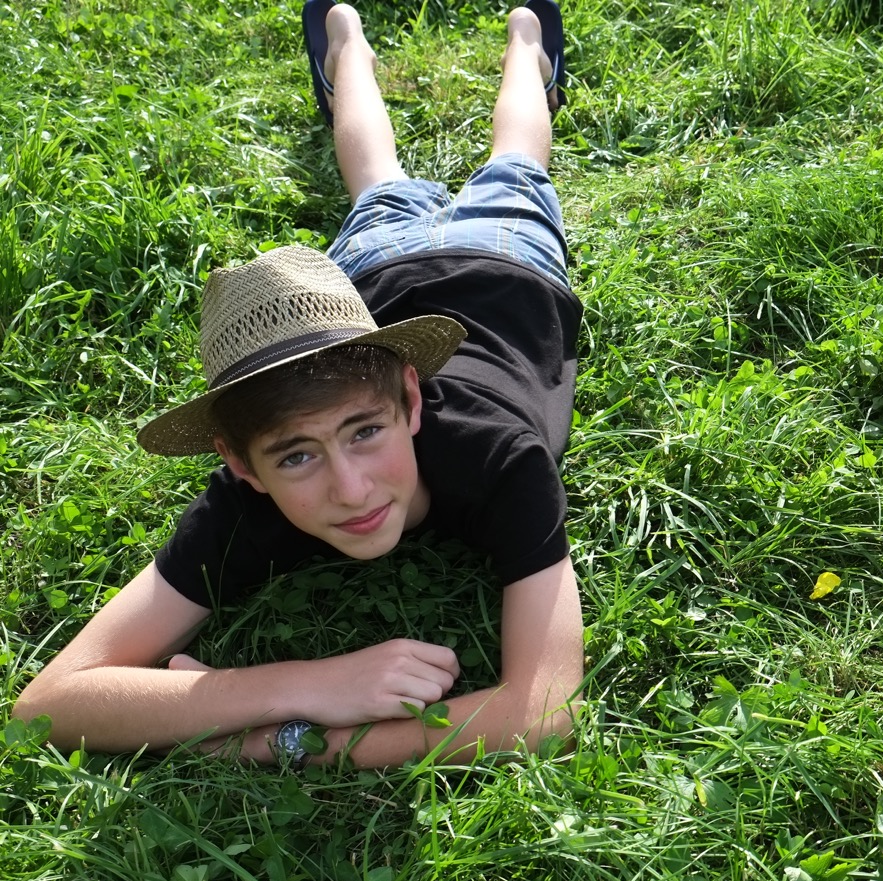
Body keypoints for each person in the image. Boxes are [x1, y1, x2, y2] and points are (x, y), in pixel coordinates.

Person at [13, 0, 582, 769]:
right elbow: (46, 707)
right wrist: (311, 683)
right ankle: (347, 47)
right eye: (296, 456)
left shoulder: (499, 456)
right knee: (377, 185)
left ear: (411, 399)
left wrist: (287, 745)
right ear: (241, 465)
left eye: (365, 431)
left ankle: (525, 42)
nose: (351, 489)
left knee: (513, 160)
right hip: (374, 275)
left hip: (504, 261)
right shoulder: (243, 506)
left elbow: (543, 712)